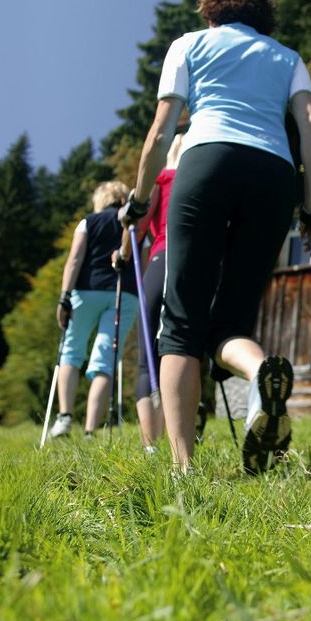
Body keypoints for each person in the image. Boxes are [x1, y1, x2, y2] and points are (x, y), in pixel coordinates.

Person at [122, 0, 311, 475]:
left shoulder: (189, 44)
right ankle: (259, 373)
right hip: (274, 173)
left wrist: (142, 197)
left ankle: (182, 468)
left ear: (210, 9)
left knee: (182, 324)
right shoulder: (288, 58)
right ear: (263, 14)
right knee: (231, 320)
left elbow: (162, 127)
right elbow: (308, 123)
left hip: (206, 162)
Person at [49, 181, 138, 440]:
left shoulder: (88, 222)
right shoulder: (132, 224)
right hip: (124, 294)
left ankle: (64, 418)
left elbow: (74, 259)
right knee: (105, 360)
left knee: (72, 351)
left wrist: (64, 297)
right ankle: (90, 430)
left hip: (86, 290)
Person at [129, 133, 184, 450]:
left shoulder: (161, 178)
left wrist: (123, 251)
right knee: (182, 349)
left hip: (162, 257)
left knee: (147, 355)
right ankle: (184, 437)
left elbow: (138, 225)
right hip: (198, 263)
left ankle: (151, 445)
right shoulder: (202, 178)